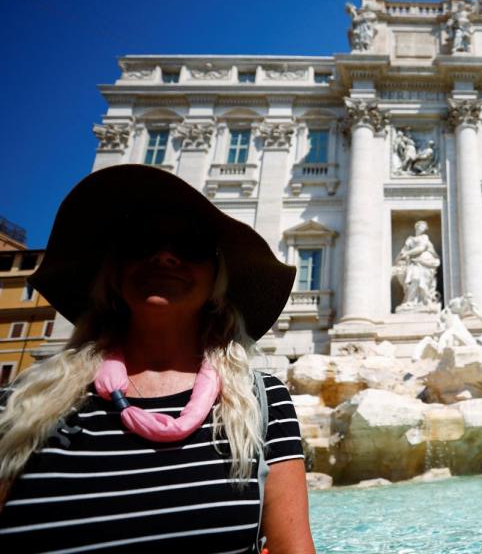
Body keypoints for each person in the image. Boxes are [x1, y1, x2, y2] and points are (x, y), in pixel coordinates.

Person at [0, 165, 315, 553]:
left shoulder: (263, 404)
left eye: (191, 246)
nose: (165, 256)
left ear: (218, 281)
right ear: (114, 272)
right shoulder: (20, 410)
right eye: (141, 243)